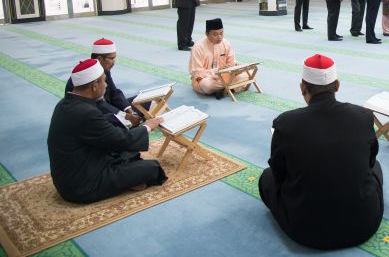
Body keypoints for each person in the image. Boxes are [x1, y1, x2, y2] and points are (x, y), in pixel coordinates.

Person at [258, 54, 384, 250]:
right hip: (364, 224)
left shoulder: (286, 123)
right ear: (338, 85)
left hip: (306, 231)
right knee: (375, 167)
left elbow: (279, 173)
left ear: (302, 88)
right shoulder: (363, 116)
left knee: (266, 178)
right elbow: (369, 162)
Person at [48, 59, 167, 204]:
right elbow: (123, 139)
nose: (106, 86)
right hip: (82, 186)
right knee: (152, 168)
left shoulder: (64, 104)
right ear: (94, 85)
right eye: (104, 82)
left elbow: (109, 137)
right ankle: (130, 182)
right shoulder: (85, 113)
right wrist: (148, 126)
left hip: (77, 170)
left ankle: (128, 178)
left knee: (129, 153)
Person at [65, 38, 141, 129]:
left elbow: (114, 92)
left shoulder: (103, 70)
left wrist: (129, 111)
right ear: (100, 59)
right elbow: (99, 104)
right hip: (96, 114)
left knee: (144, 102)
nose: (114, 62)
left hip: (109, 106)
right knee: (131, 127)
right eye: (111, 58)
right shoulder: (84, 79)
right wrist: (125, 117)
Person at [189, 18, 248, 98]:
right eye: (215, 34)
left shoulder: (226, 43)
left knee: (249, 74)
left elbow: (231, 62)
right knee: (207, 85)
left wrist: (235, 68)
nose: (219, 37)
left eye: (221, 33)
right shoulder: (198, 47)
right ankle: (230, 88)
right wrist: (217, 71)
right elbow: (197, 72)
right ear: (207, 34)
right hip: (206, 79)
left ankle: (221, 89)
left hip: (224, 76)